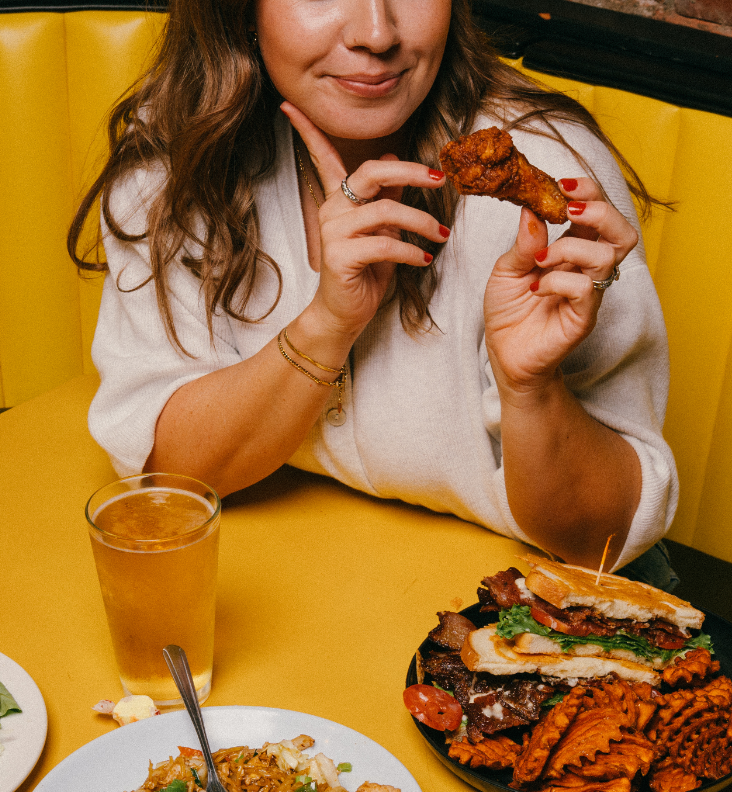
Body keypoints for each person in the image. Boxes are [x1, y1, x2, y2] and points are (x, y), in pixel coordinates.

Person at [71, 0, 676, 572]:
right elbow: (171, 473)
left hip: (551, 614)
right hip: (322, 583)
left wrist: (531, 388)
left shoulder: (544, 180)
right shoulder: (182, 157)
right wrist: (328, 323)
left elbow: (601, 539)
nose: (377, 33)